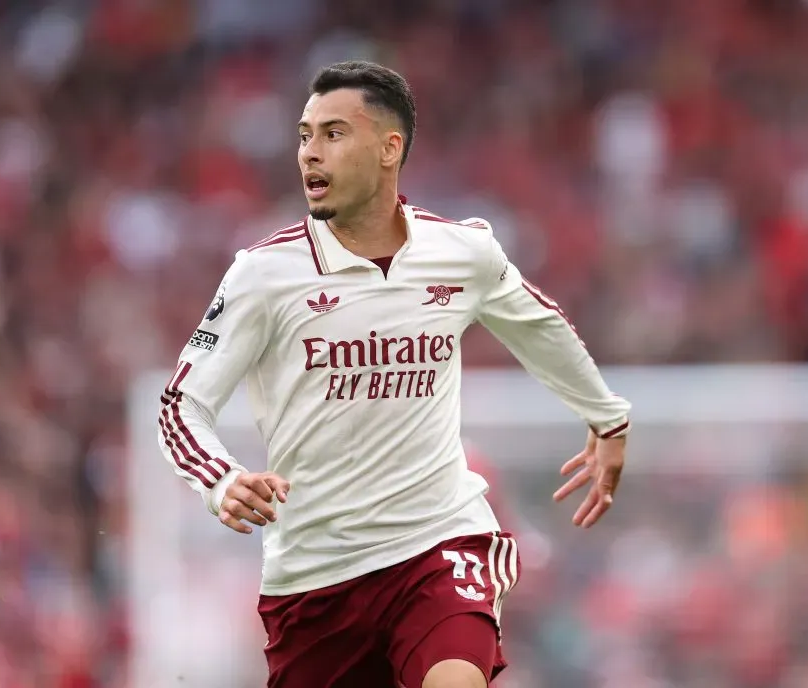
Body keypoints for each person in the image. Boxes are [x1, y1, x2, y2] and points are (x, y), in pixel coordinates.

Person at [157, 61, 631, 688]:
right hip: (317, 578)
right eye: (304, 136)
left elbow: (540, 327)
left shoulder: (461, 253)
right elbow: (181, 405)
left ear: (389, 148)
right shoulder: (262, 274)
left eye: (333, 134)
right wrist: (221, 480)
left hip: (438, 545)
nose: (309, 153)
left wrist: (607, 417)